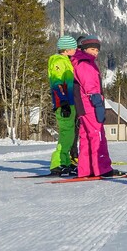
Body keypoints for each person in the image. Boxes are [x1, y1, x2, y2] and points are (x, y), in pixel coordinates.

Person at [71, 35, 118, 177]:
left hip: (83, 106)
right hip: (90, 104)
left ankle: (86, 169)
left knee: (86, 136)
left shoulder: (80, 61)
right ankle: (102, 168)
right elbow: (90, 85)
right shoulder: (85, 63)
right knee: (97, 135)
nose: (95, 53)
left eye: (97, 50)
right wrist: (97, 103)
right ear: (84, 49)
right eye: (92, 49)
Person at [47, 35, 78, 176]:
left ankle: (65, 162)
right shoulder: (58, 61)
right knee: (66, 134)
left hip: (69, 102)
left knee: (70, 134)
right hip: (63, 103)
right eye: (74, 48)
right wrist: (63, 100)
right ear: (67, 49)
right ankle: (57, 163)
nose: (76, 50)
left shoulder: (66, 61)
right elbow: (57, 82)